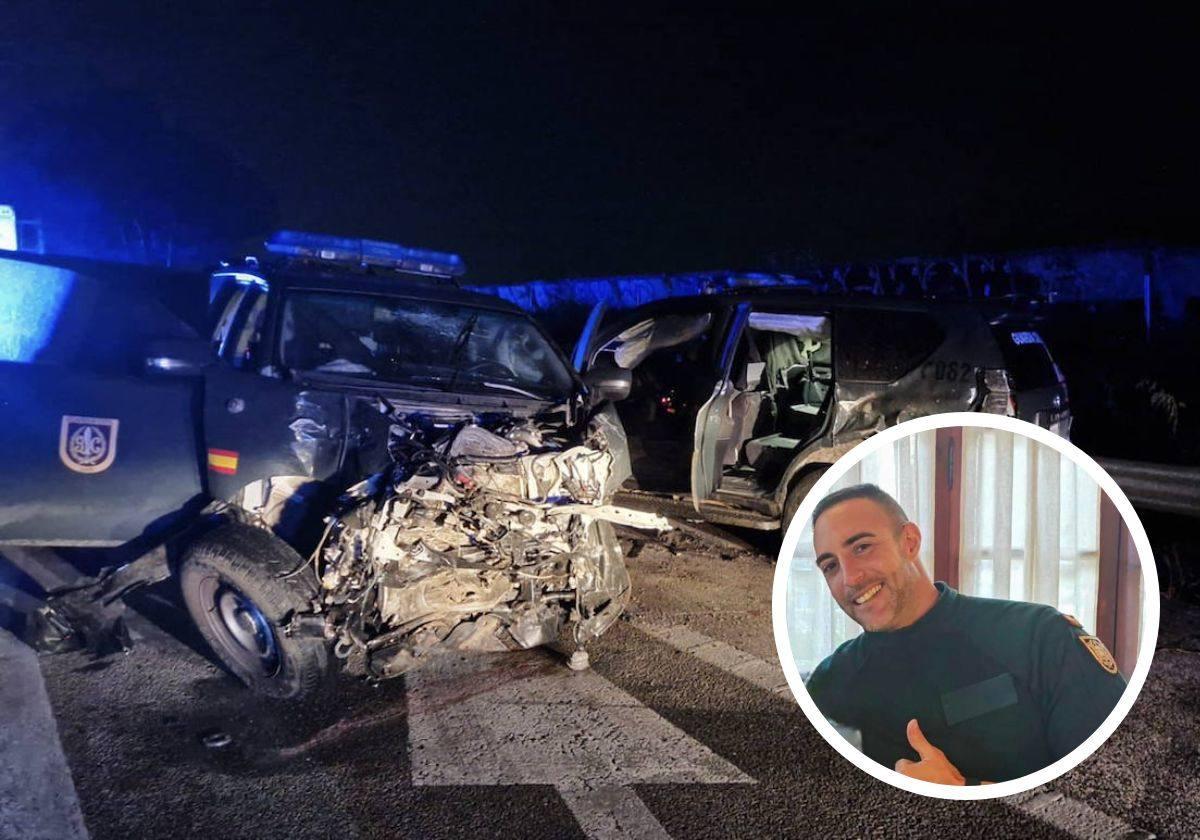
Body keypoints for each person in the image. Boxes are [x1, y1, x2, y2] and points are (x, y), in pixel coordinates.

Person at [804, 483, 1127, 785]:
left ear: (910, 542)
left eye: (862, 548)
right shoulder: (828, 686)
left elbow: (1113, 789)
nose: (850, 578)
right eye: (830, 566)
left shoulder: (1041, 637)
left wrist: (963, 790)